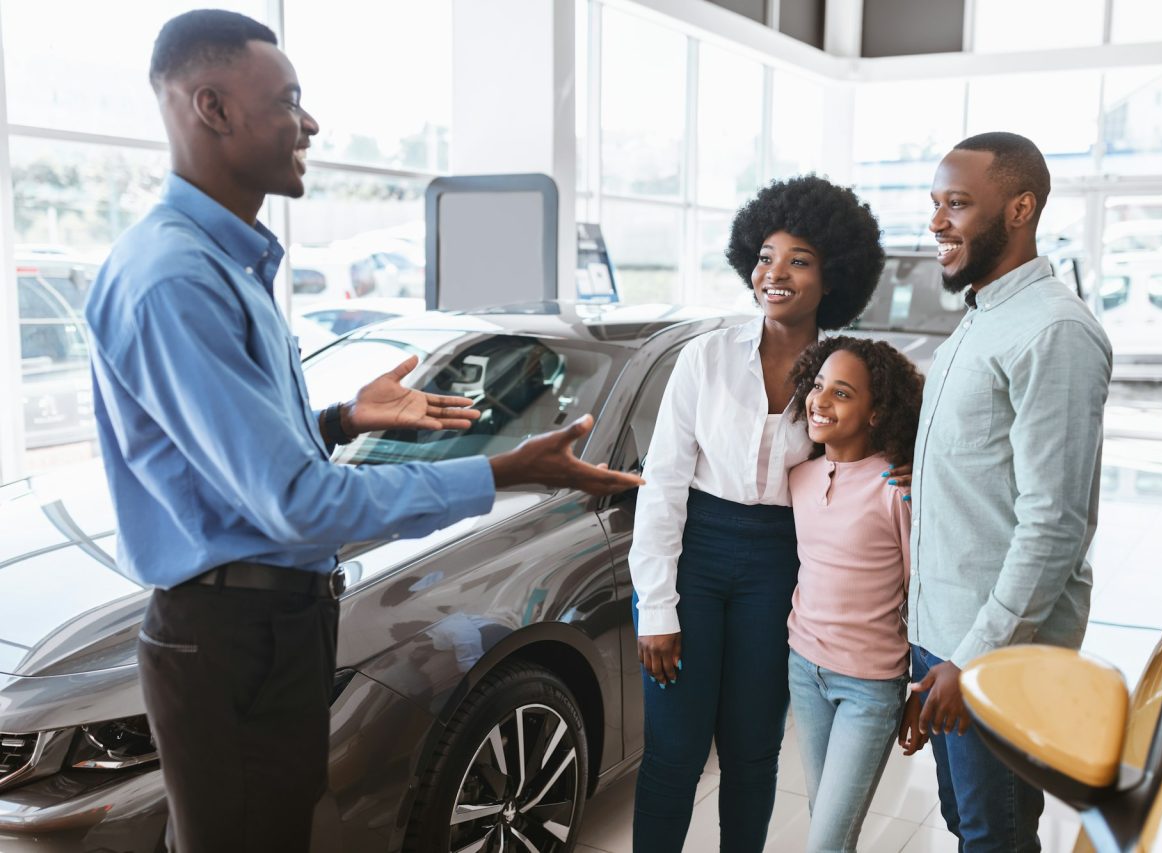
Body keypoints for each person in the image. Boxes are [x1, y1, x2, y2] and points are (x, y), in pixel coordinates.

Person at [84, 11, 641, 853]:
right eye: (291, 101)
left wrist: (340, 419)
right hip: (233, 638)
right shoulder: (176, 279)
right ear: (213, 107)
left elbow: (217, 460)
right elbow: (296, 504)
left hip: (266, 628)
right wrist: (507, 472)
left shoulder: (222, 267)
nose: (309, 124)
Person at [628, 175, 893, 852]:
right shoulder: (706, 357)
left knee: (751, 750)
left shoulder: (842, 374)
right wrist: (657, 605)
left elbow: (867, 464)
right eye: (766, 256)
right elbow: (661, 483)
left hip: (782, 566)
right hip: (694, 555)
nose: (775, 273)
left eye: (799, 259)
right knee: (674, 751)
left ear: (833, 275)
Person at [906, 132, 1112, 851]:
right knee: (971, 822)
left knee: (995, 834)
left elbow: (1055, 525)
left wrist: (971, 660)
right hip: (943, 639)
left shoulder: (1054, 330)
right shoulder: (982, 316)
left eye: (957, 204)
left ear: (1020, 208)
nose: (937, 222)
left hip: (994, 653)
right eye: (935, 204)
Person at [784, 336, 927, 853]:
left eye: (842, 393)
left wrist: (922, 689)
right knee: (824, 821)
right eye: (818, 386)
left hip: (870, 687)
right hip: (805, 669)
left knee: (825, 841)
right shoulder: (798, 477)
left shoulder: (897, 490)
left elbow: (924, 596)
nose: (820, 401)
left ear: (876, 413)